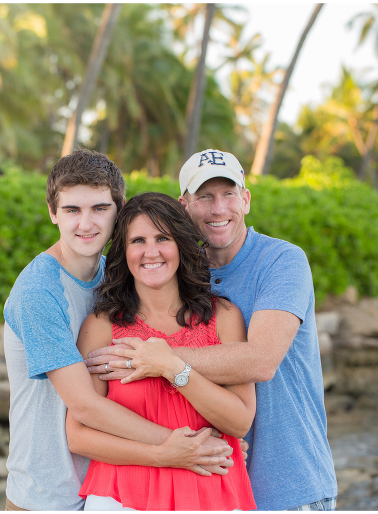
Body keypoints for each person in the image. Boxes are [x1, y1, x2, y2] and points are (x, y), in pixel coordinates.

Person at [86, 149, 338, 511]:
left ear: (246, 200)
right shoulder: (175, 272)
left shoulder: (281, 261)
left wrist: (149, 358)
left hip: (291, 483)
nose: (218, 209)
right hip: (218, 479)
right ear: (184, 207)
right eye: (205, 197)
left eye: (229, 194)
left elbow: (261, 361)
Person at [2, 150, 235, 512]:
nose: (86, 224)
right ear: (52, 213)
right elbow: (86, 406)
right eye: (72, 210)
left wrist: (214, 437)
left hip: (105, 482)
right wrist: (184, 444)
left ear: (119, 210)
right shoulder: (39, 292)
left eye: (99, 208)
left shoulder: (107, 284)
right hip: (46, 493)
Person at [66, 192, 257, 511]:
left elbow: (239, 423)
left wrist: (173, 367)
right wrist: (165, 454)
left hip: (212, 496)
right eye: (137, 240)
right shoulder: (101, 327)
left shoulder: (222, 318)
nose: (150, 252)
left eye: (162, 238)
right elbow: (79, 436)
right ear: (123, 252)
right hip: (122, 498)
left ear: (180, 244)